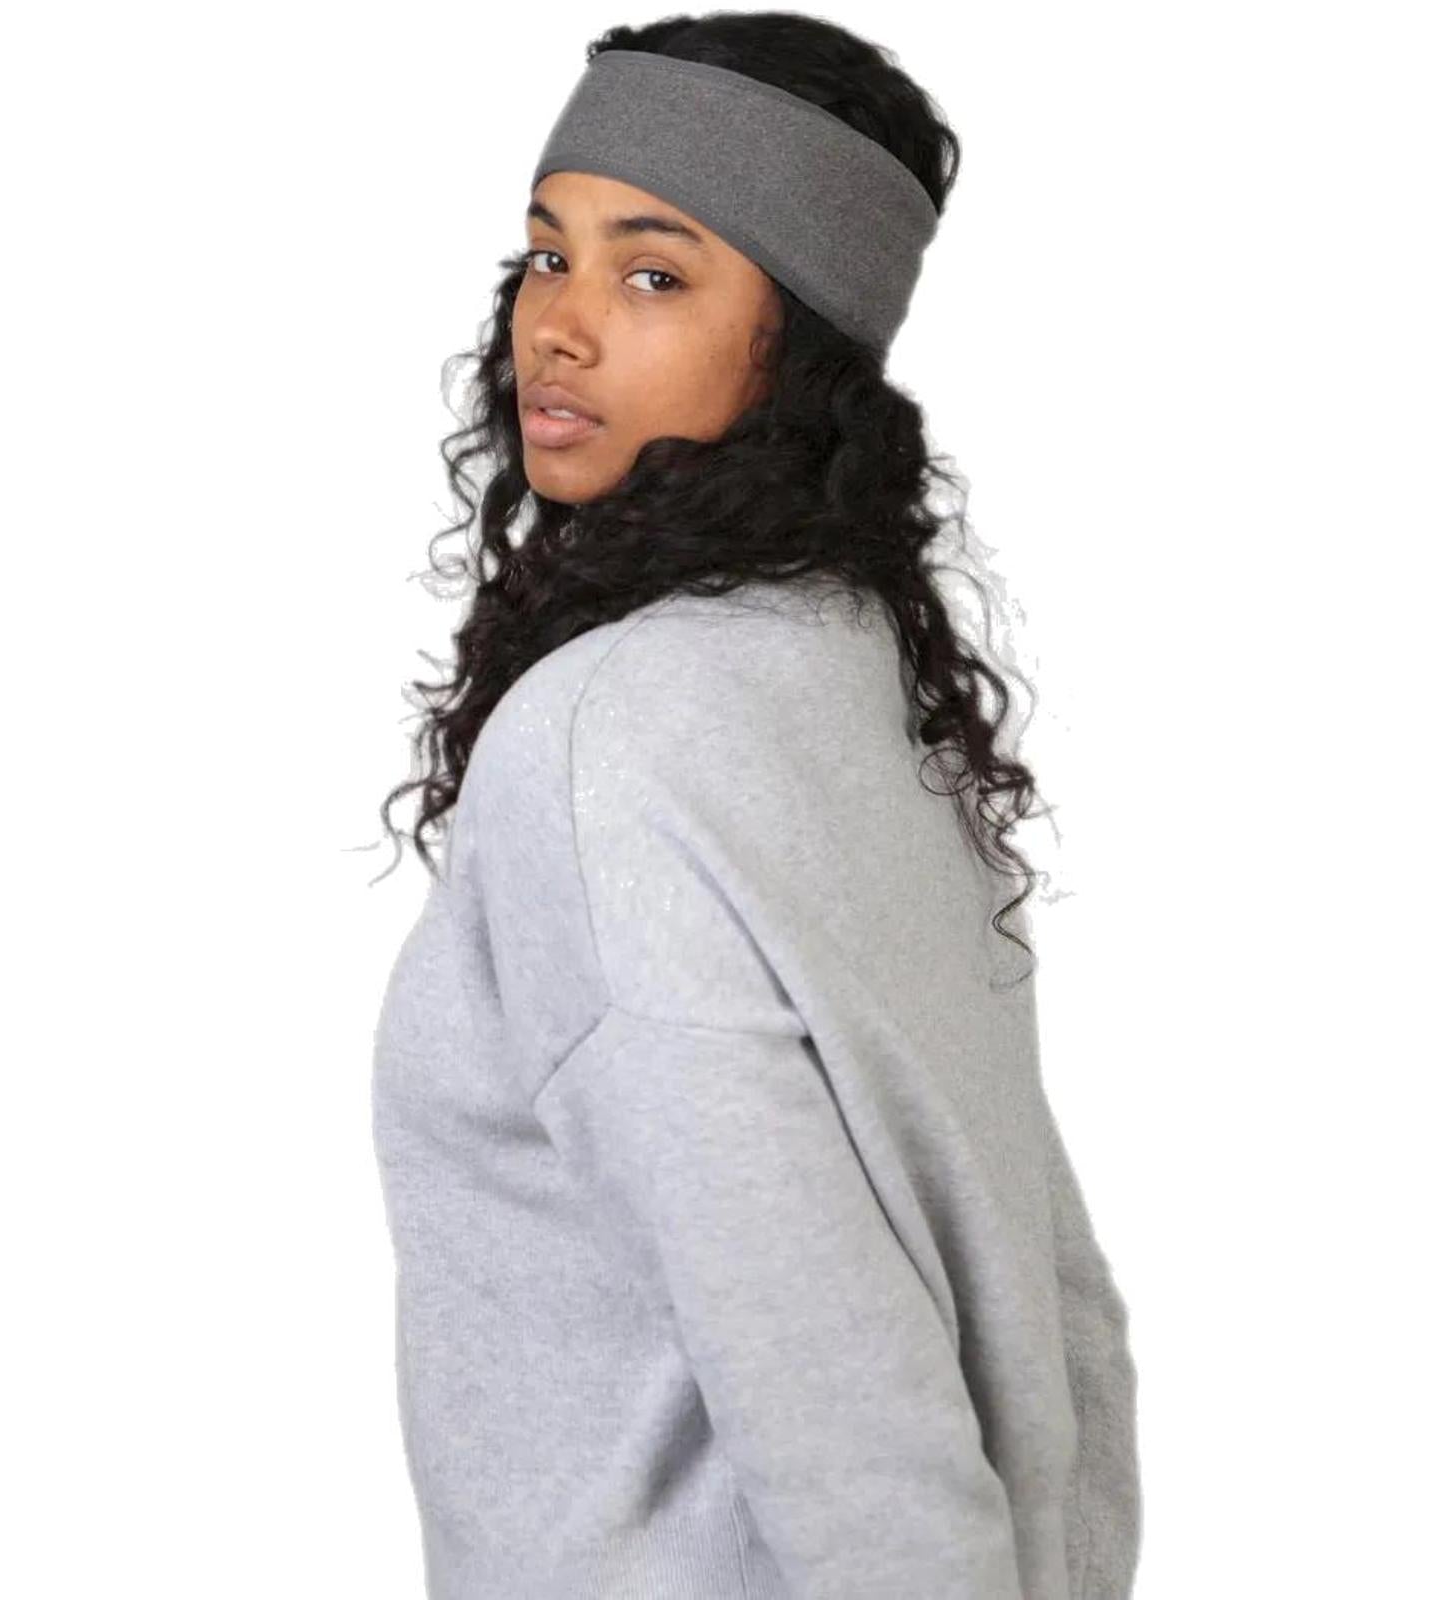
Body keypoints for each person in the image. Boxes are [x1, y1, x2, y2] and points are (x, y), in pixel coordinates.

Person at [370, 12, 1142, 1598]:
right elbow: (1062, 1315)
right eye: (548, 255)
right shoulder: (858, 695)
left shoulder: (609, 739)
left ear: (798, 341)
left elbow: (833, 1377)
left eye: (655, 275)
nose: (558, 327)